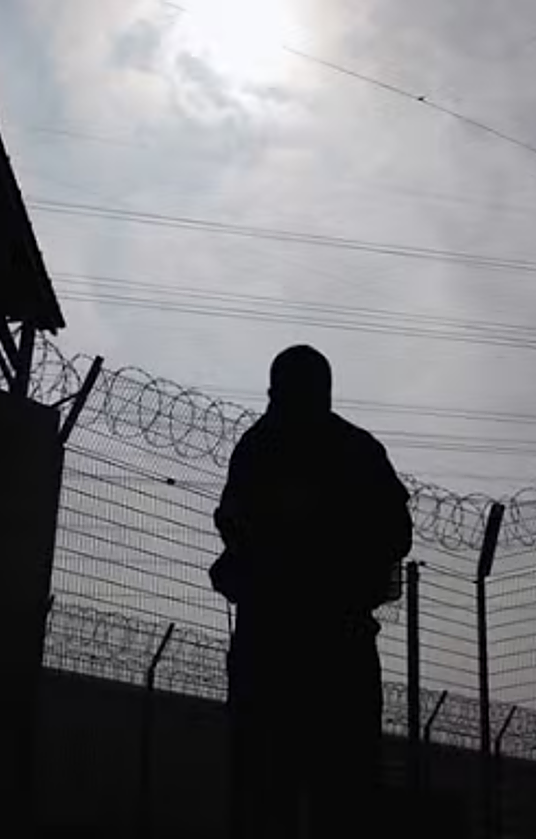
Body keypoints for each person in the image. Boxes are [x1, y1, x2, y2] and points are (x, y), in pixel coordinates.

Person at [212, 345, 413, 839]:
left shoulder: (261, 446)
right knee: (333, 799)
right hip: (330, 647)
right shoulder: (354, 449)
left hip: (278, 647)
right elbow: (396, 533)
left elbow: (234, 526)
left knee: (272, 797)